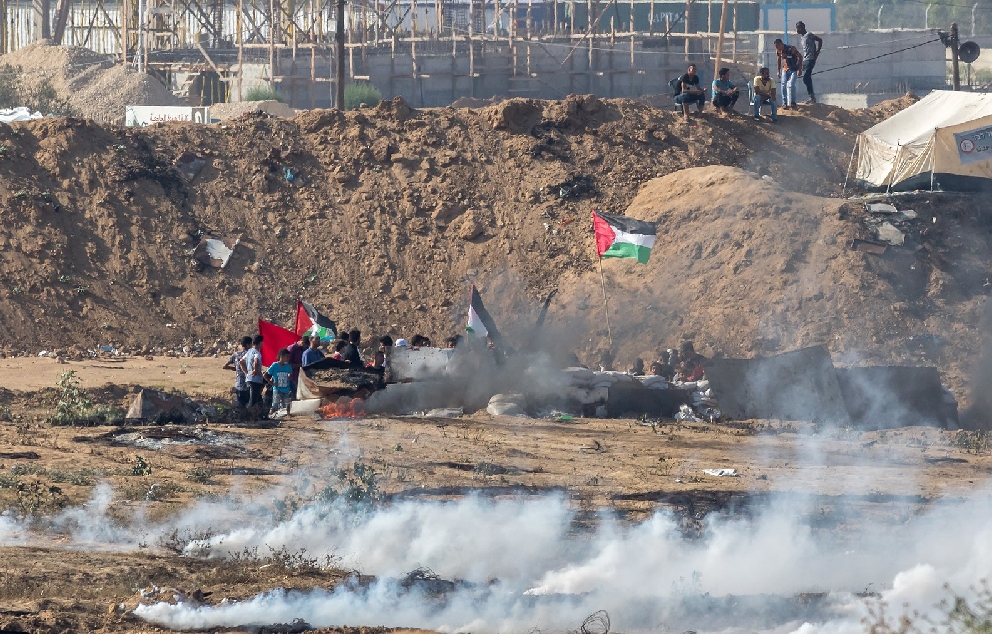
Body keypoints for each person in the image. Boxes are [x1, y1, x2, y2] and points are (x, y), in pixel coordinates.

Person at [796, 22, 823, 104]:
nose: (796, 30)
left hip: (810, 59)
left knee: (806, 78)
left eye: (798, 28)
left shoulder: (809, 35)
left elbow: (820, 40)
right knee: (801, 74)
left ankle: (812, 97)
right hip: (805, 59)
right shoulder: (802, 38)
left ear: (802, 28)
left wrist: (817, 52)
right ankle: (811, 96)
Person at [223, 336, 253, 407]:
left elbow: (225, 366)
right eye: (251, 344)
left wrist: (235, 368)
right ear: (248, 344)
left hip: (238, 384)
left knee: (240, 406)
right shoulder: (250, 355)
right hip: (248, 384)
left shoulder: (235, 354)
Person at [774, 38, 802, 109]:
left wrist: (799, 69)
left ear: (781, 44)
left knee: (791, 84)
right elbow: (779, 59)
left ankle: (793, 102)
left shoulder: (791, 48)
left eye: (777, 46)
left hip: (794, 69)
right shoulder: (778, 51)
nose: (777, 48)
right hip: (785, 69)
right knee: (783, 84)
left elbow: (800, 57)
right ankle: (784, 103)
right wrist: (778, 71)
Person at [239, 334, 265, 407]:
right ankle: (249, 415)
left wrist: (246, 373)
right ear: (260, 343)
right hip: (255, 380)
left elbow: (241, 362)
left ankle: (259, 415)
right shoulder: (257, 353)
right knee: (253, 401)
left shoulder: (249, 351)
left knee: (259, 400)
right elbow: (256, 361)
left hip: (249, 379)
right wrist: (255, 371)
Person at [268, 348, 294, 414]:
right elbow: (266, 375)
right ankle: (270, 415)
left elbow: (290, 376)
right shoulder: (275, 365)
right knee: (275, 404)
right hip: (277, 389)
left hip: (286, 389)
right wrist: (272, 383)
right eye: (287, 357)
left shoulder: (288, 366)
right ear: (282, 356)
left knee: (286, 405)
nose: (288, 358)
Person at [286, 334, 309, 399]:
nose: (306, 348)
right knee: (293, 396)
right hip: (293, 376)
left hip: (301, 377)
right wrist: (300, 365)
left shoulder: (303, 350)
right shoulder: (292, 348)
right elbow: (288, 365)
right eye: (306, 346)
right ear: (302, 342)